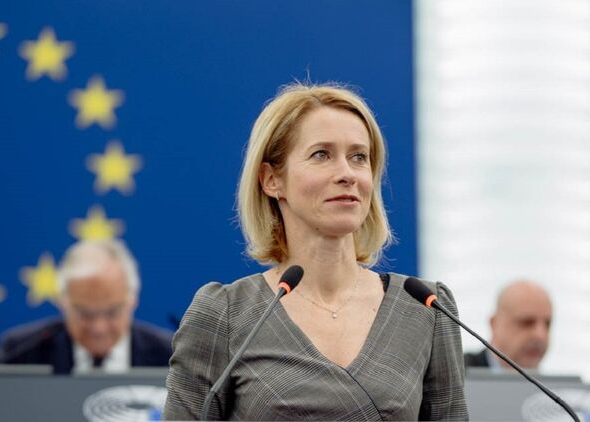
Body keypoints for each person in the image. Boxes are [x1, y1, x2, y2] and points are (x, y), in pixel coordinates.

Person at [163, 83, 468, 420]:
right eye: (321, 155)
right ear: (271, 179)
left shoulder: (425, 308)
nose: (347, 174)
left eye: (359, 157)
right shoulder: (225, 314)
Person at [0, 239, 172, 374]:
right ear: (62, 303)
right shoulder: (20, 354)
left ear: (132, 302)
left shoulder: (171, 357)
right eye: (85, 314)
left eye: (112, 312)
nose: (99, 327)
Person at [464, 280, 552, 371]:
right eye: (526, 323)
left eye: (547, 324)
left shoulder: (554, 379)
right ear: (494, 324)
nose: (540, 335)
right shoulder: (459, 373)